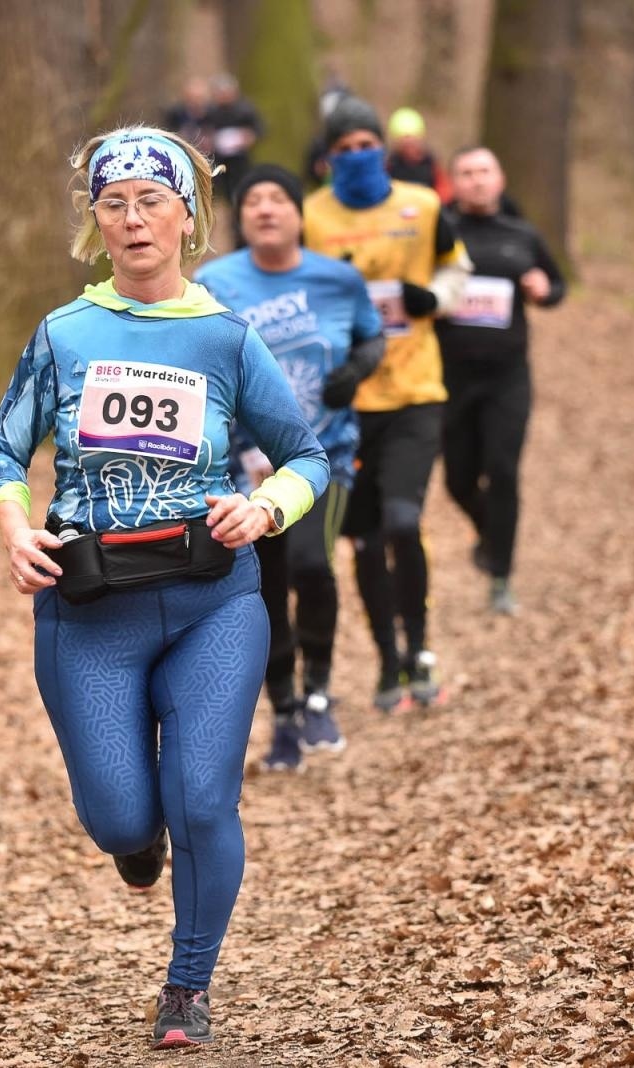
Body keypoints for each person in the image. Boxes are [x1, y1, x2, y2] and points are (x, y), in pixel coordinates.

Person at [0, 127, 329, 1049]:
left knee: (204, 799)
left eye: (151, 201)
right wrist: (16, 529)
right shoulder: (62, 334)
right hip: (91, 610)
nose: (133, 219)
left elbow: (306, 456)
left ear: (187, 216)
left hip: (214, 598)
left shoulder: (225, 337)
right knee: (120, 816)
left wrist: (266, 509)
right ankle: (139, 840)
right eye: (114, 203)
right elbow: (2, 452)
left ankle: (187, 983)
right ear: (97, 220)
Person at [195, 164, 385, 771]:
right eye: (253, 200)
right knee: (266, 585)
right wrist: (239, 450)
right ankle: (283, 711)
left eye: (279, 198)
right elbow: (206, 374)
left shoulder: (338, 279)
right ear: (240, 217)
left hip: (323, 457)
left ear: (300, 213)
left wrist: (355, 373)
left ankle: (321, 692)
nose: (266, 208)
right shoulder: (213, 284)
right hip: (245, 466)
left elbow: (371, 339)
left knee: (310, 561)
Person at [302, 95, 471, 713]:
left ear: (383, 146)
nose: (358, 156)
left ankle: (420, 647)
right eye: (344, 150)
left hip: (414, 390)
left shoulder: (422, 205)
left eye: (366, 145)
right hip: (345, 403)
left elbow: (459, 269)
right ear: (327, 160)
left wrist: (434, 298)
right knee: (366, 541)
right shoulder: (311, 215)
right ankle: (385, 662)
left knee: (404, 522)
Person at [435, 146, 567, 616]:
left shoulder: (522, 235)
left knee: (504, 471)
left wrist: (544, 289)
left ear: (500, 179)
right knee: (458, 480)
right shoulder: (440, 233)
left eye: (484, 172)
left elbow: (557, 284)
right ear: (454, 182)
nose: (475, 181)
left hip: (508, 377)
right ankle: (491, 535)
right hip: (450, 377)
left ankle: (501, 576)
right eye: (466, 173)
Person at [204, 73, 264, 203]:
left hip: (240, 159)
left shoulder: (245, 109)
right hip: (218, 158)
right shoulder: (211, 111)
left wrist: (249, 136)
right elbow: (204, 129)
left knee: (241, 188)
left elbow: (259, 128)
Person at [385, 107, 452, 202]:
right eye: (405, 144)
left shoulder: (431, 164)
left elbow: (445, 193)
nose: (410, 148)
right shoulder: (389, 165)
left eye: (412, 142)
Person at [162, 76, 214, 158]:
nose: (196, 101)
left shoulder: (212, 113)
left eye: (199, 97)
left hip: (206, 157)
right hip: (182, 155)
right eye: (193, 97)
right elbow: (168, 133)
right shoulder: (176, 113)